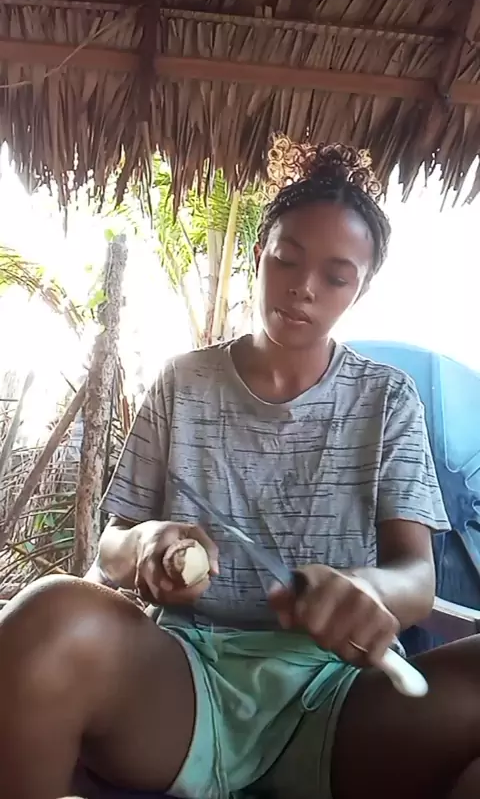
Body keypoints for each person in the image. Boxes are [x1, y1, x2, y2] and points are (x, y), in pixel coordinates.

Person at [0, 137, 479, 799]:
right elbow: (112, 546)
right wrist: (145, 545)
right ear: (259, 255)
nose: (303, 287)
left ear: (361, 289)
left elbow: (416, 575)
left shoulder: (387, 398)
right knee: (47, 614)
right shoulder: (183, 383)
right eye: (287, 259)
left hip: (342, 695)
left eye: (336, 276)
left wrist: (370, 590)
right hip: (183, 684)